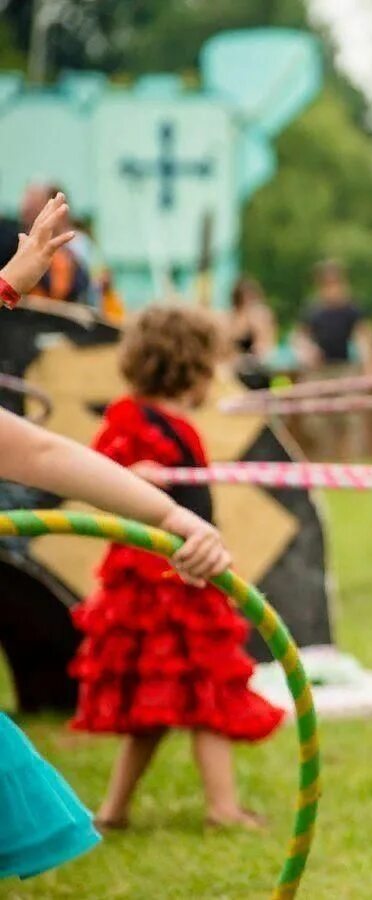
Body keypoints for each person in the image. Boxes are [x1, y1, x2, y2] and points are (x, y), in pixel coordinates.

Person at [1, 193, 232, 880]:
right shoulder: (137, 420)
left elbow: (39, 453)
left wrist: (175, 518)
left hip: (171, 581)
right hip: (145, 590)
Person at [69, 306, 283, 829]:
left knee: (173, 700)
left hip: (186, 580)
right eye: (210, 363)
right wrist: (132, 475)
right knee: (200, 690)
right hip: (156, 587)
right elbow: (101, 474)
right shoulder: (130, 419)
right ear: (190, 366)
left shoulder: (180, 426)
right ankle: (217, 808)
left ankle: (121, 810)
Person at [293, 259, 372, 461]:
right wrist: (307, 351)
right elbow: (300, 337)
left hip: (345, 369)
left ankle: (349, 460)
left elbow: (364, 337)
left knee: (350, 418)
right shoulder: (313, 310)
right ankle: (326, 458)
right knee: (317, 419)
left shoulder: (351, 309)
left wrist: (369, 367)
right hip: (320, 371)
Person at [227, 276, 277, 391]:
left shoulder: (261, 314)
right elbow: (229, 348)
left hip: (258, 366)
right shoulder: (232, 317)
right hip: (237, 368)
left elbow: (265, 345)